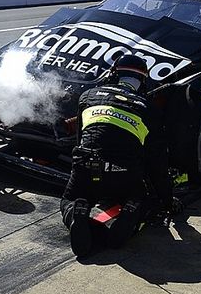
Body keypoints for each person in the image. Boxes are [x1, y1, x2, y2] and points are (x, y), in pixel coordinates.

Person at [60, 54, 179, 259]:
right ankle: (132, 210)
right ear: (143, 81)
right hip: (124, 173)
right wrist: (167, 201)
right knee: (143, 198)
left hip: (87, 166)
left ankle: (75, 213)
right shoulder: (149, 110)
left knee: (70, 198)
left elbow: (80, 140)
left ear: (113, 74)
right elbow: (157, 163)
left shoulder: (88, 95)